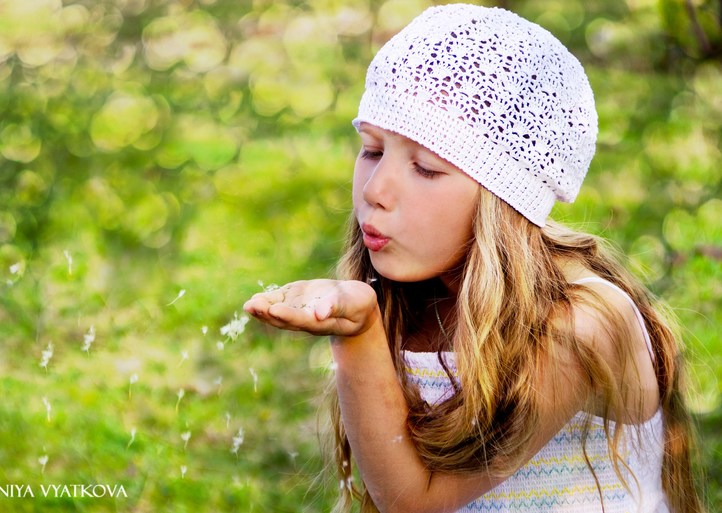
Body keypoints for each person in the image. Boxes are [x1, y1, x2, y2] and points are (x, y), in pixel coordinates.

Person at [243, 4, 704, 512]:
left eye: (425, 168)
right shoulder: (413, 296)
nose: (375, 191)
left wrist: (358, 334)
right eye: (372, 150)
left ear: (502, 200)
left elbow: (414, 503)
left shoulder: (577, 325)